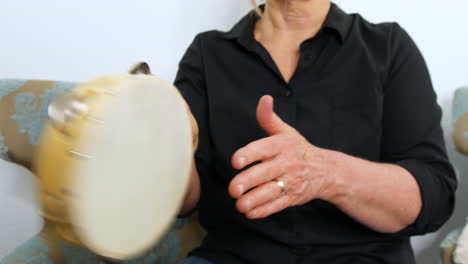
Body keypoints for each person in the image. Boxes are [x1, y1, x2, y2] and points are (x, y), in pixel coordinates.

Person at [175, 0, 457, 263]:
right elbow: (184, 202)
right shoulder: (207, 53)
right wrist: (173, 147)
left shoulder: (388, 47)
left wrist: (325, 174)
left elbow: (434, 197)